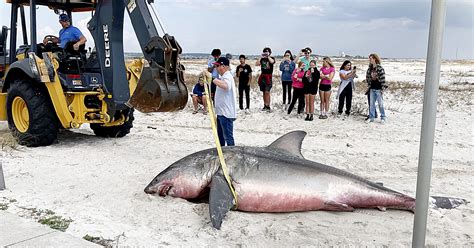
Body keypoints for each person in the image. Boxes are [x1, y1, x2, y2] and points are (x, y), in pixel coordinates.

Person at [212, 57, 238, 146]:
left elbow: (226, 86)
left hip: (226, 113)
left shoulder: (228, 76)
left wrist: (213, 79)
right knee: (221, 136)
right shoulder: (222, 77)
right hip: (221, 112)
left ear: (223, 66)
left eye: (218, 66)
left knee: (228, 137)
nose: (216, 68)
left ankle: (232, 154)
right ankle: (222, 154)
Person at [366, 53, 387, 123]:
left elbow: (383, 79)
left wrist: (382, 89)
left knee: (380, 104)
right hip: (372, 88)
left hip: (379, 89)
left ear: (375, 59)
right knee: (371, 104)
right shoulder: (369, 69)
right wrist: (368, 84)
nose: (370, 60)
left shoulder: (380, 68)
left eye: (371, 58)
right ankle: (371, 117)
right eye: (369, 58)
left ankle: (383, 117)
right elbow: (368, 78)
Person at [256, 47, 275, 111]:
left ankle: (268, 105)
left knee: (267, 91)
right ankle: (265, 105)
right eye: (264, 52)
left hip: (268, 77)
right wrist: (261, 57)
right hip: (262, 77)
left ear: (270, 53)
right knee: (263, 92)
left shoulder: (271, 58)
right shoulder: (262, 59)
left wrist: (268, 56)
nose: (265, 53)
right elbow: (257, 64)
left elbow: (272, 62)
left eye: (267, 52)